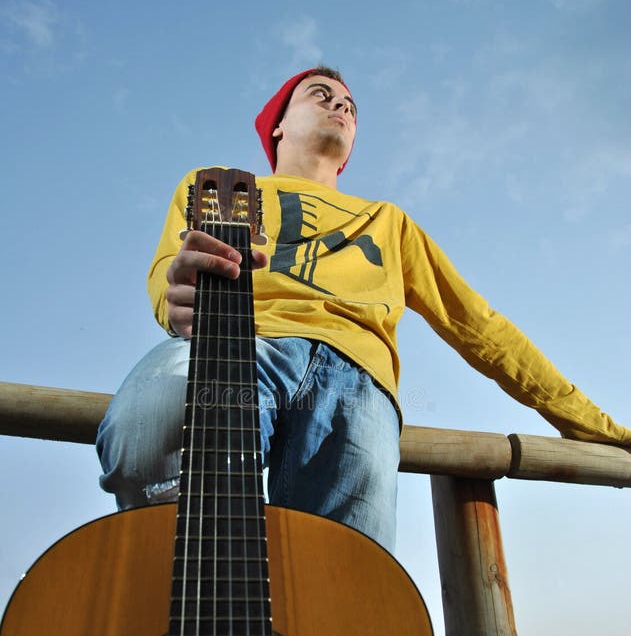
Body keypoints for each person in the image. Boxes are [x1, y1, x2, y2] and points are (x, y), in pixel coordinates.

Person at [96, 66, 630, 553]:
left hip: (358, 381)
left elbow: (483, 330)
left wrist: (598, 428)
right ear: (278, 126)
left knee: (344, 577)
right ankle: (192, 615)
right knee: (152, 422)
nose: (342, 106)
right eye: (320, 95)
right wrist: (177, 298)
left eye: (351, 105)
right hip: (241, 341)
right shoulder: (218, 188)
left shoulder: (388, 222)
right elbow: (168, 270)